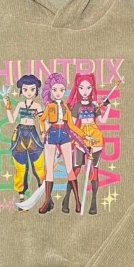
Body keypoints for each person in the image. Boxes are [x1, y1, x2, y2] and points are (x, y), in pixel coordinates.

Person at [38, 72, 91, 214]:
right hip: (52, 134)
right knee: (49, 169)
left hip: (64, 135)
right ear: (50, 90)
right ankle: (47, 201)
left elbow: (72, 126)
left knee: (69, 169)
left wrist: (84, 136)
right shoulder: (49, 106)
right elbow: (41, 120)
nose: (58, 93)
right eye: (55, 90)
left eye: (61, 90)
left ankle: (77, 201)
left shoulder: (66, 107)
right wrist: (43, 131)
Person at [62, 73, 111, 214]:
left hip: (96, 138)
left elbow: (102, 121)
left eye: (88, 88)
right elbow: (71, 125)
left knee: (94, 170)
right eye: (81, 88)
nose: (85, 91)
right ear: (77, 88)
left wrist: (107, 107)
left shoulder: (95, 104)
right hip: (82, 137)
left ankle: (93, 201)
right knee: (76, 169)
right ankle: (67, 198)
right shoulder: (77, 106)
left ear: (92, 88)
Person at [2, 74, 45, 206]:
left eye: (32, 89)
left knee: (39, 164)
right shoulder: (20, 104)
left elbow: (42, 121)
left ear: (36, 90)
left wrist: (44, 133)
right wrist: (7, 105)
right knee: (20, 166)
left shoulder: (37, 106)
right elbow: (11, 120)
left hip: (33, 134)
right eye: (25, 89)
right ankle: (21, 195)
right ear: (21, 90)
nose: (29, 92)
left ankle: (43, 191)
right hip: (20, 134)